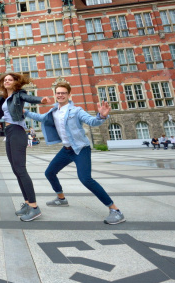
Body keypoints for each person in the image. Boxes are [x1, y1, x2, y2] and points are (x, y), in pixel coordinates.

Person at [25, 82, 125, 225]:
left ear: (69, 95)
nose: (60, 95)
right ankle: (61, 199)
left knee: (86, 179)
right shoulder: (54, 111)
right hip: (66, 150)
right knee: (50, 172)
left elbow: (91, 121)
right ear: (55, 95)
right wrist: (26, 113)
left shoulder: (76, 111)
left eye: (63, 93)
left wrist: (101, 117)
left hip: (80, 149)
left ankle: (115, 210)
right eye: (58, 93)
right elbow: (41, 118)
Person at [0, 72, 50, 222]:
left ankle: (34, 207)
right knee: (15, 169)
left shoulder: (19, 94)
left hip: (18, 131)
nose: (7, 81)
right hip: (9, 132)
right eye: (5, 80)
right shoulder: (4, 96)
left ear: (15, 82)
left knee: (21, 169)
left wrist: (41, 100)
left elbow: (28, 98)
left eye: (10, 80)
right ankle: (27, 203)